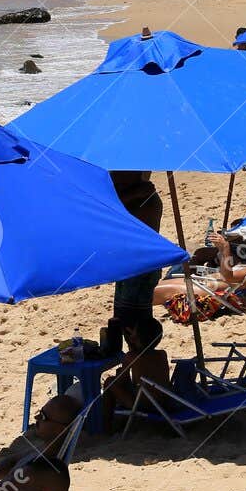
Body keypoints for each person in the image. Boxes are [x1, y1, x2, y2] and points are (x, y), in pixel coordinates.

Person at [111, 170, 165, 325]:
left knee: (133, 320)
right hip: (131, 265)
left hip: (140, 266)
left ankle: (141, 346)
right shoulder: (136, 195)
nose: (112, 177)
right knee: (124, 316)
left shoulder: (143, 197)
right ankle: (138, 345)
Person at [101, 316, 171, 430]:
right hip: (164, 402)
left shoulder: (132, 357)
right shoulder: (162, 354)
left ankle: (106, 425)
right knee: (124, 379)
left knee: (109, 382)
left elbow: (120, 381)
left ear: (136, 337)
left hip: (144, 405)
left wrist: (120, 372)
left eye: (134, 331)